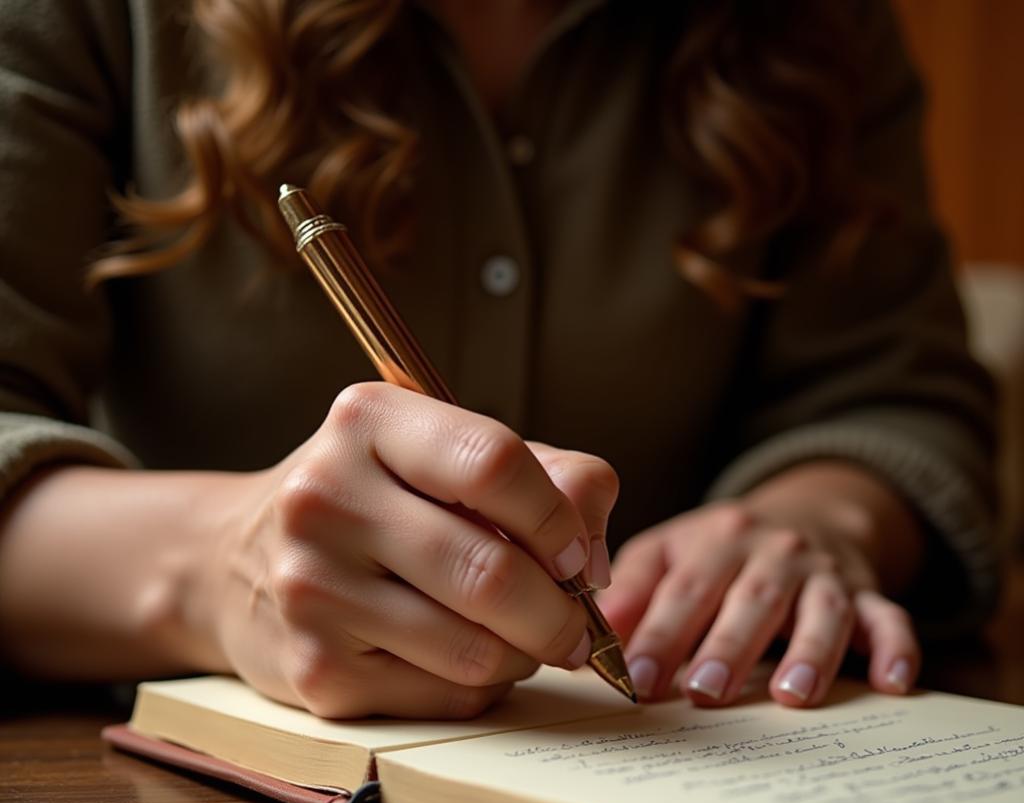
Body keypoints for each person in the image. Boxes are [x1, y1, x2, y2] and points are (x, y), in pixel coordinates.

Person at [0, 0, 998, 719]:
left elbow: (894, 392)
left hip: (677, 743)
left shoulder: (822, 26)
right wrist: (213, 570)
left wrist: (811, 518)